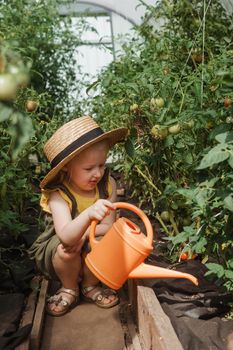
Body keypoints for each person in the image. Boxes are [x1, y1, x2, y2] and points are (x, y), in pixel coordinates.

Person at [29, 115, 128, 316]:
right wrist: (89, 215)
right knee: (67, 250)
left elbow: (109, 225)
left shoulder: (107, 186)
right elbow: (65, 236)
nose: (98, 174)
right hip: (61, 245)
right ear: (66, 166)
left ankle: (90, 285)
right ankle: (69, 287)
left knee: (107, 242)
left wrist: (85, 234)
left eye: (101, 165)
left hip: (92, 238)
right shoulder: (57, 195)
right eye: (89, 168)